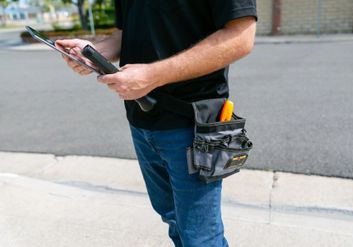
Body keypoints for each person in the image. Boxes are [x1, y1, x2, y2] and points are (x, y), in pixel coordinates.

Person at [56, 0, 257, 246]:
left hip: (192, 124)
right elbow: (125, 33)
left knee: (199, 237)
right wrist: (94, 52)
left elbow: (241, 37)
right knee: (173, 221)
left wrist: (152, 76)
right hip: (141, 121)